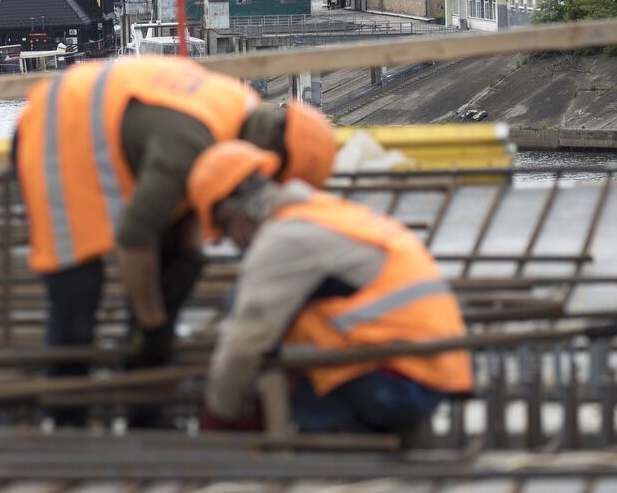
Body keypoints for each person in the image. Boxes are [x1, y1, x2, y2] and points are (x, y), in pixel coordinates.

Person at [14, 56, 336, 417]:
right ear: (270, 161)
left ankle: (145, 387)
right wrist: (151, 318)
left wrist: (189, 250)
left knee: (181, 262)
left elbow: (191, 218)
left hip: (126, 134)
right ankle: (65, 414)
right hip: (59, 131)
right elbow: (135, 236)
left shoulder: (243, 110)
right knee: (78, 287)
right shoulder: (192, 144)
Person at [187, 141, 473, 435]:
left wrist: (218, 416)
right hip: (435, 369)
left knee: (263, 331)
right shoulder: (320, 212)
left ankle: (326, 439)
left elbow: (247, 339)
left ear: (238, 218)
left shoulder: (285, 238)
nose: (233, 244)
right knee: (282, 318)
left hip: (399, 382)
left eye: (227, 233)